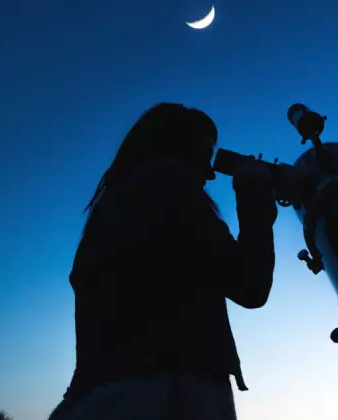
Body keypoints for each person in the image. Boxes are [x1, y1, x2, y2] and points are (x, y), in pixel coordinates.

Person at [48, 103, 278, 420]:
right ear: (182, 147)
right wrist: (254, 192)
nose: (211, 173)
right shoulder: (168, 185)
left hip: (98, 394)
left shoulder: (119, 203)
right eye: (206, 155)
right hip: (166, 391)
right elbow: (251, 285)